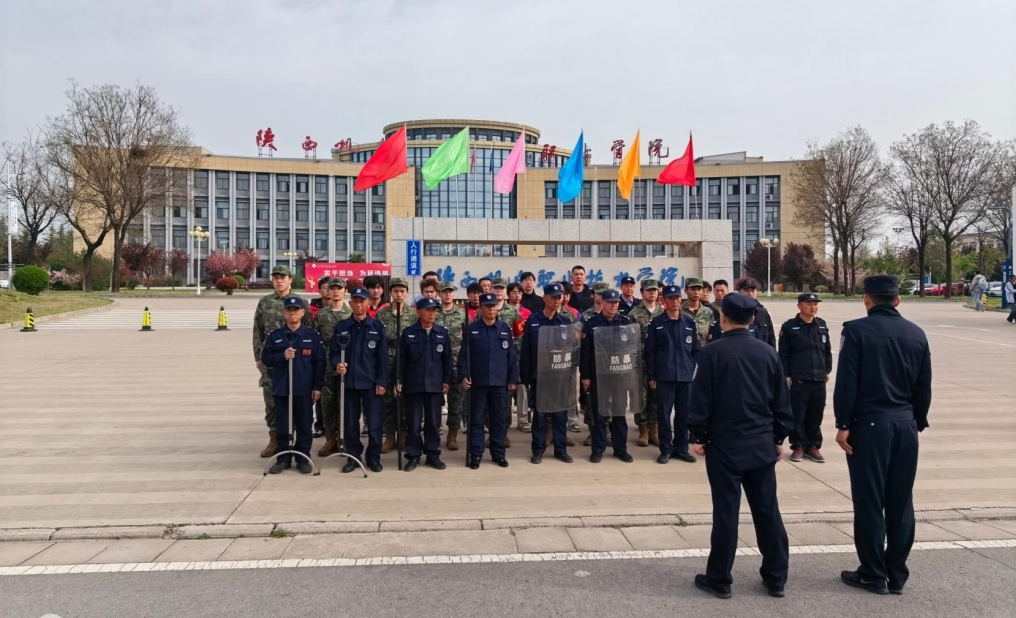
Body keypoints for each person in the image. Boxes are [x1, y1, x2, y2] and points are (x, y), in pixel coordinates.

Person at [689, 293, 793, 599]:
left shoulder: (711, 353)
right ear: (752, 320)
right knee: (767, 510)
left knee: (726, 512)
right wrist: (778, 439)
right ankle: (776, 577)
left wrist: (699, 436)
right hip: (761, 443)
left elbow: (700, 399)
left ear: (723, 319)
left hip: (724, 444)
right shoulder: (768, 353)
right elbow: (781, 402)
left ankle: (719, 578)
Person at [834, 275, 932, 596]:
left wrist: (843, 423)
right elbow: (923, 386)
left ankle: (873, 573)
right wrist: (915, 422)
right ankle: (896, 573)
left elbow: (847, 382)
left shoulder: (856, 331)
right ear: (897, 300)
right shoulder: (916, 333)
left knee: (870, 500)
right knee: (901, 502)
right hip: (905, 424)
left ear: (866, 299)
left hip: (870, 425)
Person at [262, 297, 325, 475]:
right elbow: (266, 358)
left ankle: (302, 457)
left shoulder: (312, 336)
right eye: (289, 310)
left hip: (304, 389)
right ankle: (283, 458)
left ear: (302, 312)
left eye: (296, 310)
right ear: (284, 313)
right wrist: (282, 356)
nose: (292, 313)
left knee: (305, 425)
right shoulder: (275, 336)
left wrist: (317, 386)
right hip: (282, 389)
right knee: (283, 425)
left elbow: (320, 363)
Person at [252, 265, 309, 458]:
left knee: (297, 402)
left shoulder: (301, 302)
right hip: (272, 360)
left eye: (282, 277)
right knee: (271, 402)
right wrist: (258, 357)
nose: (279, 281)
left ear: (290, 279)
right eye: (276, 277)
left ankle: (297, 442)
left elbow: (308, 330)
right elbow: (258, 331)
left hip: (296, 360)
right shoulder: (265, 302)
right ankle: (275, 439)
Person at [460, 293, 519, 469]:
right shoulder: (472, 329)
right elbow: (464, 356)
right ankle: (476, 454)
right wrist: (464, 375)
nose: (491, 309)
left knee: (498, 420)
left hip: (499, 382)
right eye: (487, 306)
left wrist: (513, 378)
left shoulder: (504, 329)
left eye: (493, 306)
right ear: (481, 308)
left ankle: (498, 453)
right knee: (476, 420)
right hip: (478, 382)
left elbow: (511, 356)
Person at [333, 287, 388, 473]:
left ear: (368, 303)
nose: (358, 305)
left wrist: (382, 381)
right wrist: (337, 364)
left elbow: (382, 358)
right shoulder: (342, 327)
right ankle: (353, 457)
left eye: (362, 301)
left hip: (371, 383)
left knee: (374, 423)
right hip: (348, 383)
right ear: (350, 303)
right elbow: (333, 353)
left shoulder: (377, 327)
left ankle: (373, 457)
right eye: (355, 301)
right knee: (350, 423)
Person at [519, 283, 575, 464]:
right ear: (544, 298)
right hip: (540, 376)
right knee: (540, 414)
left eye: (559, 297)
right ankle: (538, 449)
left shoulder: (565, 322)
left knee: (560, 414)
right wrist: (525, 377)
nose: (557, 300)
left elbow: (571, 349)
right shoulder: (533, 321)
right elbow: (526, 350)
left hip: (560, 375)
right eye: (553, 297)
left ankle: (560, 449)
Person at [646, 284, 700, 464]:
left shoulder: (689, 322)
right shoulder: (657, 323)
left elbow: (696, 351)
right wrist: (652, 376)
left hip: (685, 376)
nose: (675, 301)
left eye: (677, 298)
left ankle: (681, 449)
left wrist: (693, 372)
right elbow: (650, 352)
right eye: (670, 298)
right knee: (664, 414)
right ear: (664, 300)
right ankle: (666, 449)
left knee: (683, 414)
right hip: (665, 376)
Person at [397, 297, 452, 471]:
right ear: (418, 312)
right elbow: (401, 360)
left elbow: (447, 360)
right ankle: (413, 455)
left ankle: (432, 454)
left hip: (435, 385)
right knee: (413, 423)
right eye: (428, 310)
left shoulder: (442, 333)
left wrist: (446, 380)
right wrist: (399, 380)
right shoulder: (408, 334)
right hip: (414, 384)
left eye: (434, 310)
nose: (432, 313)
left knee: (433, 422)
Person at [581, 289, 634, 463]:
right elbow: (585, 353)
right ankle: (598, 449)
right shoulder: (591, 324)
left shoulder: (625, 322)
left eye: (616, 302)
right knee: (599, 413)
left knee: (619, 412)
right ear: (602, 302)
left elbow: (631, 350)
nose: (613, 305)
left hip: (619, 375)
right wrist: (585, 376)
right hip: (599, 375)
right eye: (610, 302)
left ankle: (620, 449)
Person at [778, 293, 832, 464]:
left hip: (818, 379)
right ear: (799, 306)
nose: (813, 307)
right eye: (809, 303)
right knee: (798, 414)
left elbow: (827, 350)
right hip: (799, 379)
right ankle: (799, 445)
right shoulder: (790, 327)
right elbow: (783, 354)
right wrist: (786, 375)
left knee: (816, 414)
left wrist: (827, 370)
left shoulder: (821, 325)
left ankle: (813, 446)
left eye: (815, 304)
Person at [313, 278, 353, 456]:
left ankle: (344, 438)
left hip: (347, 365)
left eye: (339, 288)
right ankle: (330, 439)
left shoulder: (351, 313)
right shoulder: (321, 315)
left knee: (346, 404)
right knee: (327, 404)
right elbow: (315, 341)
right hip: (327, 366)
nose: (336, 291)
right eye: (332, 288)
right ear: (327, 291)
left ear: (345, 291)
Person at [376, 277, 413, 453]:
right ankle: (389, 436)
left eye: (402, 291)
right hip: (386, 360)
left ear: (407, 293)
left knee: (404, 400)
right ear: (390, 292)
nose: (399, 294)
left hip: (406, 361)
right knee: (388, 401)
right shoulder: (381, 314)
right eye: (396, 291)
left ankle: (403, 435)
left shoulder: (413, 314)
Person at [628, 279, 663, 447]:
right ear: (642, 292)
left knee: (656, 396)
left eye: (654, 290)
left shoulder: (663, 312)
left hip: (658, 361)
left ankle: (654, 429)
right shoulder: (634, 314)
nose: (652, 293)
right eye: (649, 290)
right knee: (639, 395)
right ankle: (643, 429)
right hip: (639, 362)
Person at [435, 282, 466, 451]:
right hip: (436, 362)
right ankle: (433, 433)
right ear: (439, 294)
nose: (447, 295)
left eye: (450, 292)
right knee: (434, 401)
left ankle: (452, 435)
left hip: (456, 361)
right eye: (444, 292)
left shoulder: (462, 314)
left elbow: (468, 337)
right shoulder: (433, 312)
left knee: (455, 402)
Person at [735, 277, 776, 348]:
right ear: (739, 291)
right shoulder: (733, 312)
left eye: (753, 290)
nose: (750, 293)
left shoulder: (763, 312)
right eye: (746, 290)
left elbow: (771, 338)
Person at [682, 278, 718, 348]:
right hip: (685, 351)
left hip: (704, 350)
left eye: (699, 289)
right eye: (692, 289)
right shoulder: (679, 311)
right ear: (685, 291)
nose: (696, 292)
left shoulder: (708, 312)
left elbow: (712, 334)